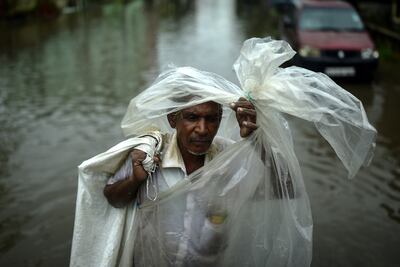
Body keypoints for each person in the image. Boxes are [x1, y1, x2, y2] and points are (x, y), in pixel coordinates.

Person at [103, 98, 257, 265]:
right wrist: (134, 180)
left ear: (220, 120)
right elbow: (113, 199)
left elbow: (284, 188)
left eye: (211, 119)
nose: (202, 129)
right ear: (172, 119)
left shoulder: (228, 157)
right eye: (192, 117)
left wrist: (256, 139)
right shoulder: (148, 154)